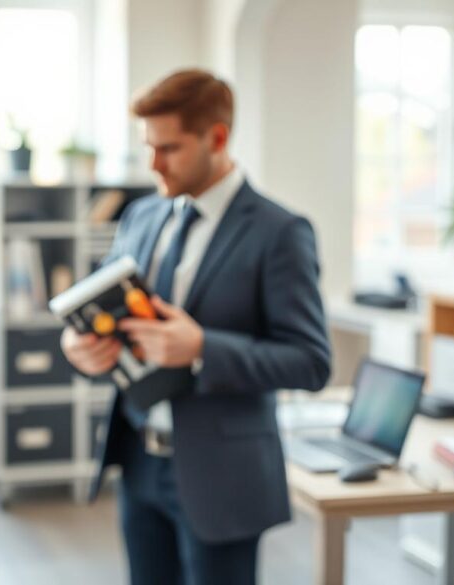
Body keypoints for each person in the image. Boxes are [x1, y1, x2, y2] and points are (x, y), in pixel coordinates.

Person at [60, 69, 330, 585]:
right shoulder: (141, 216)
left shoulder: (281, 233)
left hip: (223, 478)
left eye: (170, 148)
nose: (153, 163)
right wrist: (79, 343)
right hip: (139, 462)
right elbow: (97, 304)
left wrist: (203, 347)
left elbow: (312, 362)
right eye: (149, 147)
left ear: (218, 137)